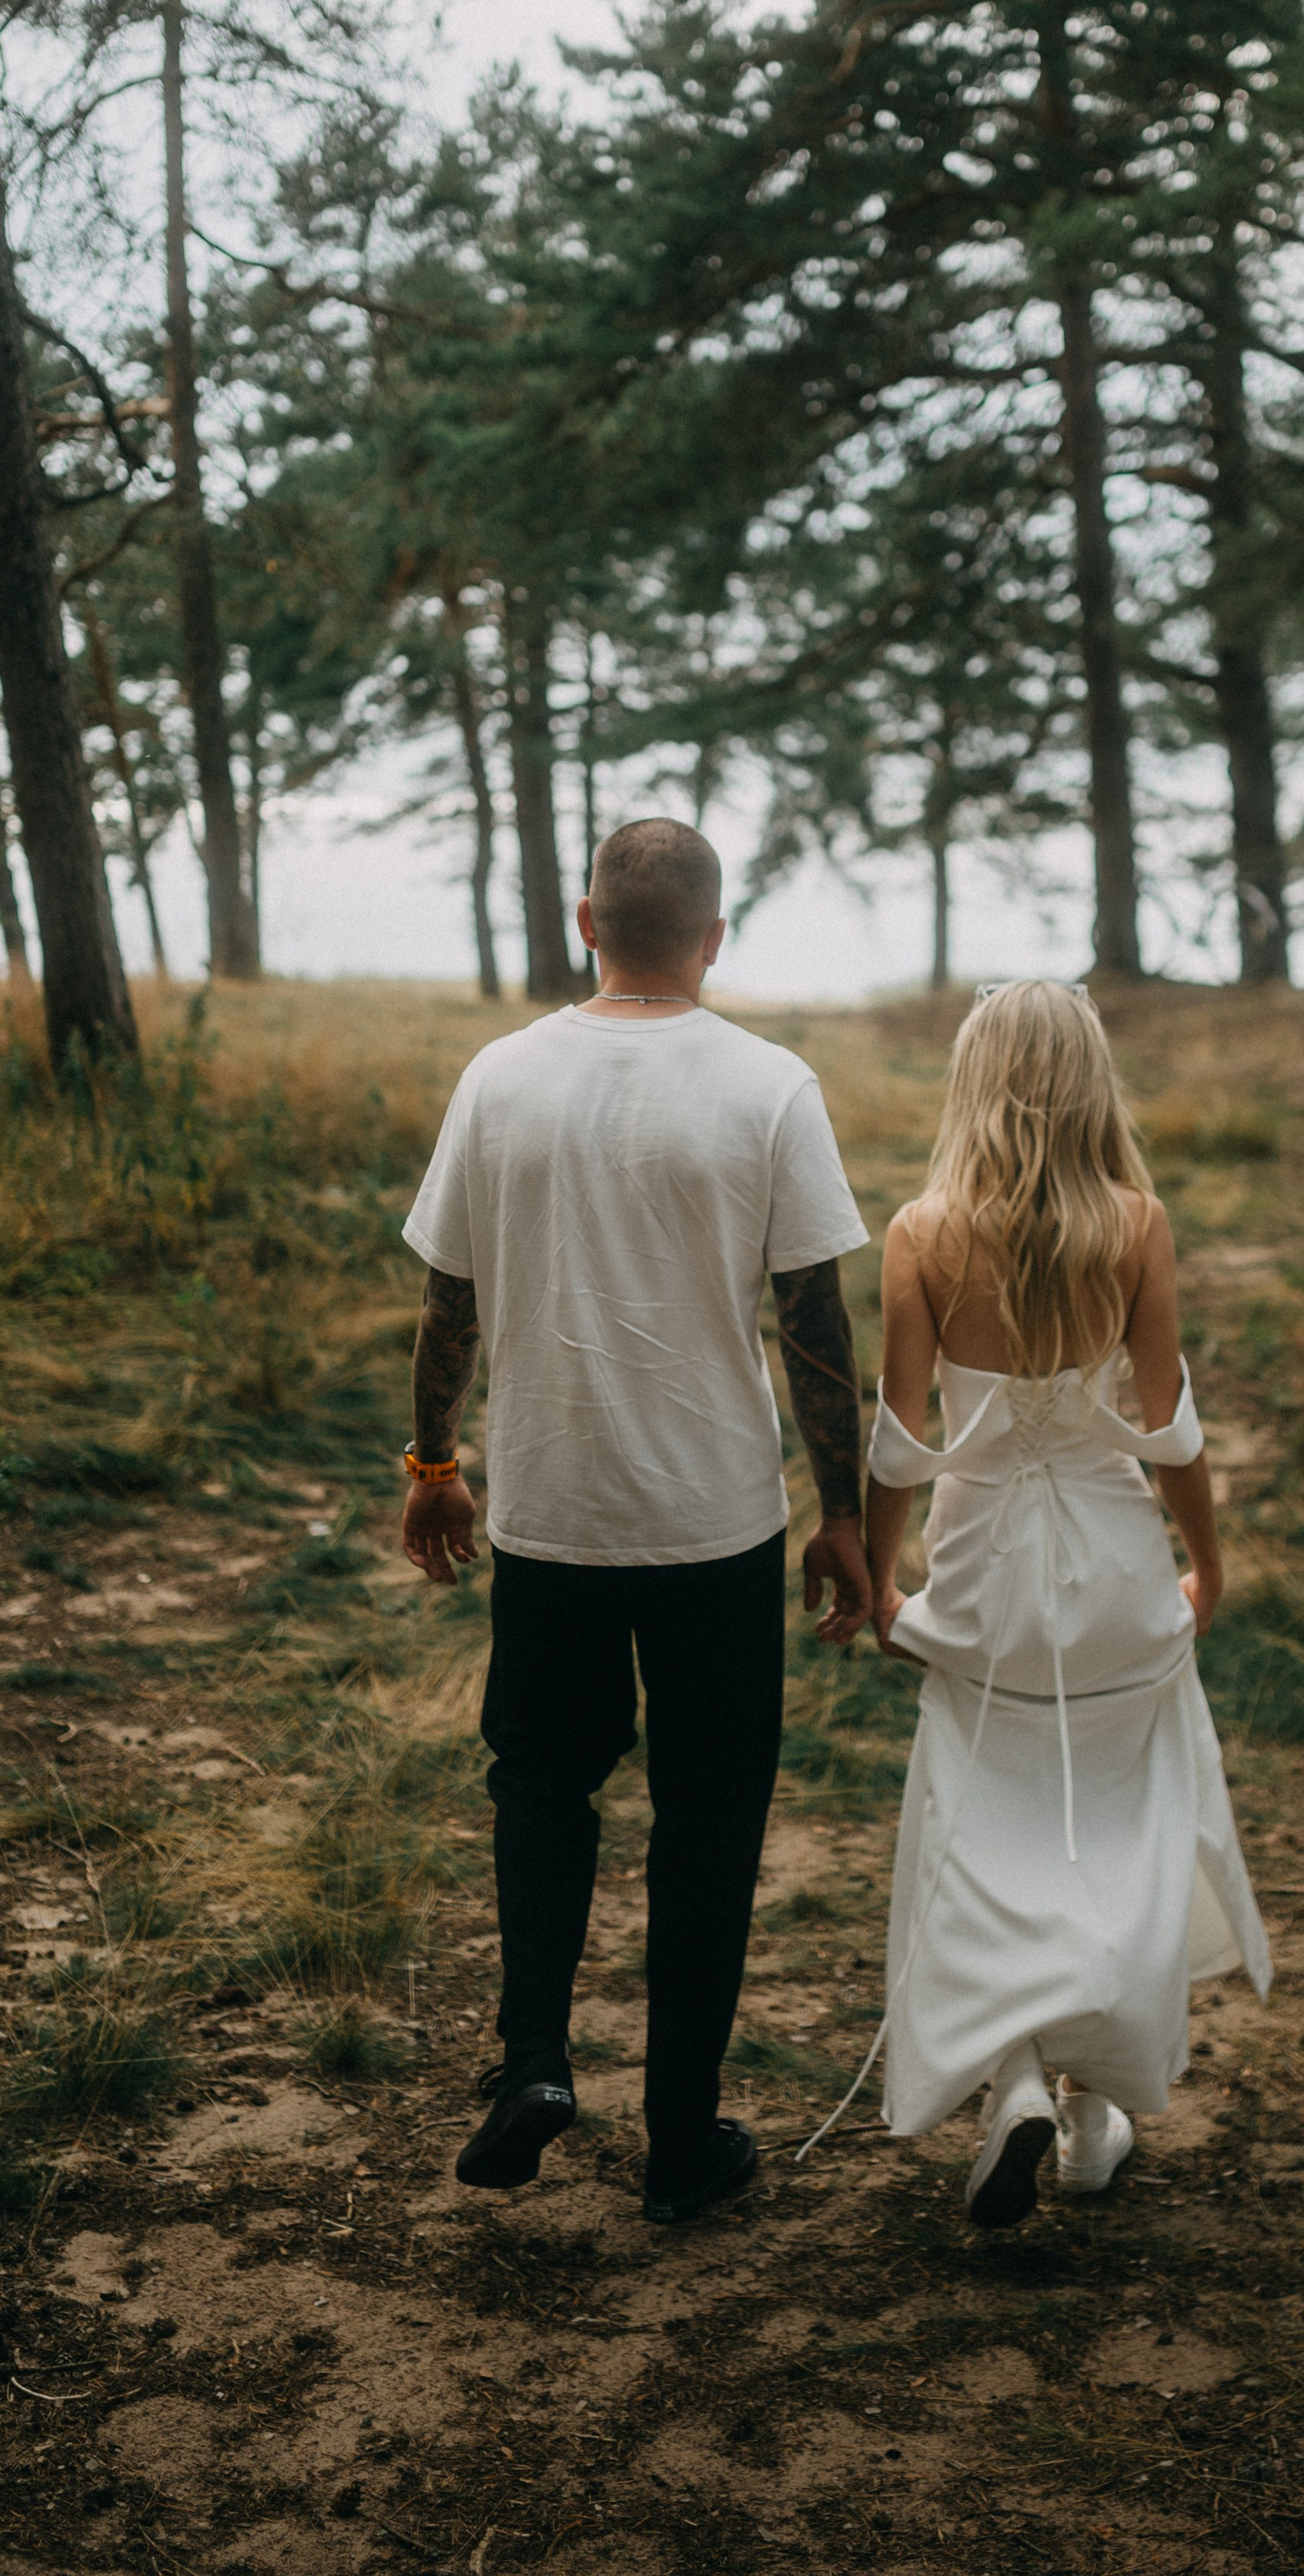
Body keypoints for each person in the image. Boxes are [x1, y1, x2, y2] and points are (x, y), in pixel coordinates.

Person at [396, 817, 873, 2226]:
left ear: (588, 922)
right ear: (716, 938)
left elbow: (449, 1305)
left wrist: (435, 1467)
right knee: (709, 1821)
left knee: (541, 1786)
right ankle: (680, 2139)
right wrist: (840, 1514)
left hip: (547, 1515)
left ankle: (534, 2064)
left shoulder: (500, 1077)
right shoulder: (773, 1088)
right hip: (715, 1523)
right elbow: (818, 1326)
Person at [856, 980, 1269, 2229]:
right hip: (1112, 1574)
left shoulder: (920, 1234)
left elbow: (897, 1441)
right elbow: (1169, 1429)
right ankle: (1093, 2106)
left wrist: (881, 1575)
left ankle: (1022, 2077)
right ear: (1092, 1081)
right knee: (1119, 1835)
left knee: (986, 1828)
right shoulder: (1136, 1225)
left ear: (972, 1082)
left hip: (985, 1573)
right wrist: (1208, 1559)